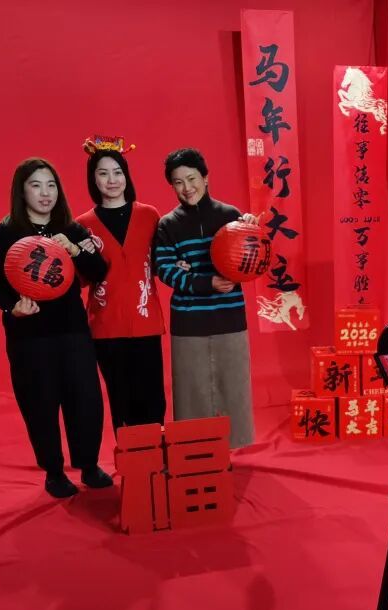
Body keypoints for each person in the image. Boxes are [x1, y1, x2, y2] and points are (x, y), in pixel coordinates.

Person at [0, 157, 114, 498]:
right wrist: (13, 307)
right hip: (29, 336)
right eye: (36, 185)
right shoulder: (4, 234)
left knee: (85, 398)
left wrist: (75, 250)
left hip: (72, 330)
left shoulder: (72, 230)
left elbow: (98, 270)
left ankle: (89, 465)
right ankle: (54, 472)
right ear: (22, 191)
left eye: (51, 185)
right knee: (39, 402)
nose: (45, 193)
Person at [153, 147, 256, 449]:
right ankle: (195, 452)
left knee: (233, 389)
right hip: (189, 322)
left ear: (205, 178)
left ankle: (229, 452)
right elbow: (165, 270)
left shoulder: (231, 216)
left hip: (229, 317)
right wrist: (205, 282)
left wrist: (251, 231)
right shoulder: (167, 225)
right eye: (178, 182)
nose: (187, 188)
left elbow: (251, 260)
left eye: (192, 178)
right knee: (191, 394)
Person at [75, 136, 166, 431]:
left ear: (126, 175)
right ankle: (130, 456)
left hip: (145, 321)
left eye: (117, 172)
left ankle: (156, 454)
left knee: (153, 400)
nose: (112, 180)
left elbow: (161, 262)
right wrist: (79, 254)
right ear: (93, 179)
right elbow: (81, 279)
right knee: (120, 400)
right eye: (103, 173)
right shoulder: (82, 225)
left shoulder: (149, 216)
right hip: (106, 325)